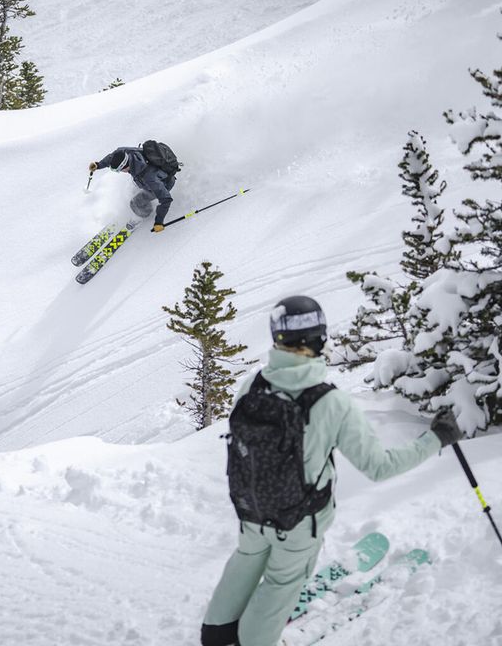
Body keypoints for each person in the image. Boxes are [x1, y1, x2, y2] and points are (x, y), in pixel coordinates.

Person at [201, 295, 463, 646]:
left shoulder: (252, 386)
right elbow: (379, 467)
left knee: (247, 558)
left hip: (251, 510)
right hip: (298, 522)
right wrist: (435, 439)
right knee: (281, 581)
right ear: (319, 338)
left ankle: (216, 634)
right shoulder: (331, 401)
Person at [88, 145, 176, 232]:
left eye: (119, 170)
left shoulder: (149, 177)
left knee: (135, 203)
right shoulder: (126, 153)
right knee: (133, 190)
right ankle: (144, 207)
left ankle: (143, 215)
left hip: (165, 184)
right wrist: (98, 165)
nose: (119, 172)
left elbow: (166, 199)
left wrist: (159, 222)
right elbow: (112, 157)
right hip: (151, 179)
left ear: (125, 167)